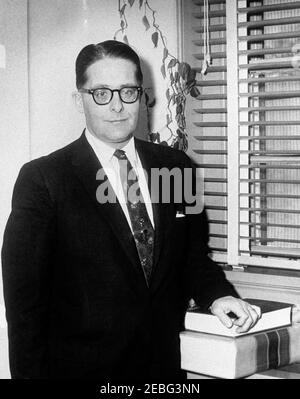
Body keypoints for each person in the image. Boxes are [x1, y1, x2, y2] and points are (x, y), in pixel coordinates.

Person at [1, 40, 260, 380]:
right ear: (79, 101)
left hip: (162, 372)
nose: (117, 106)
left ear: (142, 95)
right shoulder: (45, 179)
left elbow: (191, 257)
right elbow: (25, 309)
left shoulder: (175, 167)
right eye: (101, 93)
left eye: (127, 91)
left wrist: (218, 294)